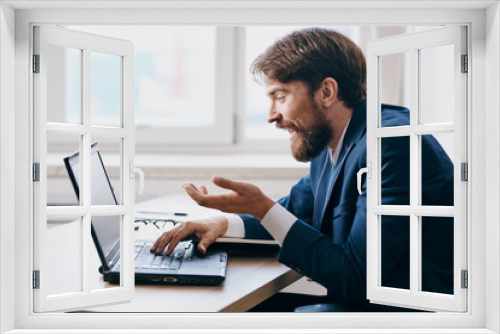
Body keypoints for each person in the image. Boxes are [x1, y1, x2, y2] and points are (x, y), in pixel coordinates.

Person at [150, 27, 454, 312]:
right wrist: (223, 223)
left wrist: (263, 209)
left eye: (281, 97)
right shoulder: (331, 142)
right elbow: (294, 211)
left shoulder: (393, 144)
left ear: (326, 92)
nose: (271, 116)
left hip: (400, 317)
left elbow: (357, 280)